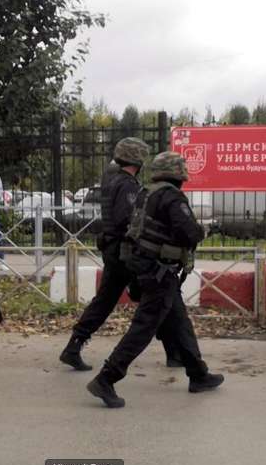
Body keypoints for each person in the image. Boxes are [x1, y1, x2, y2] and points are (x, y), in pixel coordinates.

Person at [86, 152, 224, 409]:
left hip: (146, 268)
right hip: (160, 272)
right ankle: (106, 378)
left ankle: (198, 374)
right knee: (143, 328)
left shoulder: (145, 192)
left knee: (179, 322)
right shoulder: (171, 196)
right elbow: (189, 233)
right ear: (177, 173)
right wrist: (203, 230)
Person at [59, 138, 181, 371]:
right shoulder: (126, 185)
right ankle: (173, 352)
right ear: (137, 159)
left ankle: (74, 346)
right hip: (124, 252)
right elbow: (127, 219)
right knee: (155, 298)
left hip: (114, 249)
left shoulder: (111, 179)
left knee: (119, 300)